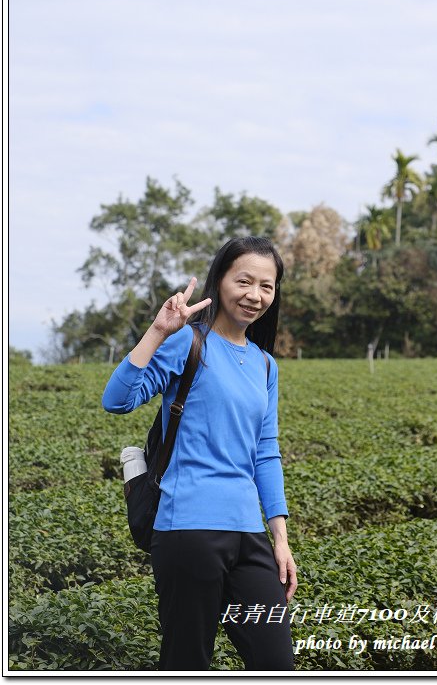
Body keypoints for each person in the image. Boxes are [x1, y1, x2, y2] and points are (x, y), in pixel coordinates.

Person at [102, 236, 297, 671]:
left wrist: (279, 540)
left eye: (267, 286)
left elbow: (266, 452)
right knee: (188, 662)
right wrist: (157, 332)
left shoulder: (266, 365)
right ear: (220, 279)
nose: (255, 295)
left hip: (248, 533)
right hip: (187, 526)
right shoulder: (187, 343)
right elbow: (117, 401)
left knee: (276, 662)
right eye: (244, 281)